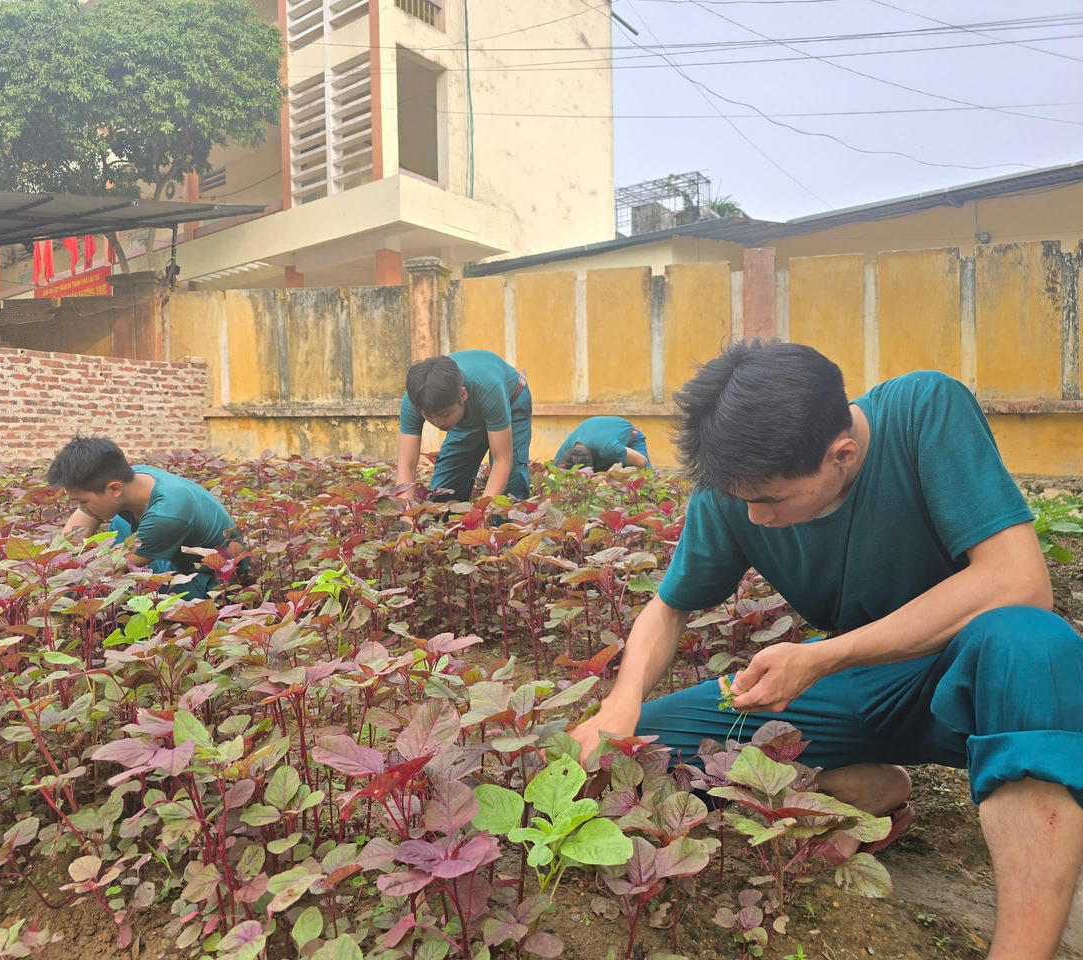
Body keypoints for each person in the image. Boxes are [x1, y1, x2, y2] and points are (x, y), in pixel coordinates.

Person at [569, 339, 1083, 960]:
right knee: (653, 745)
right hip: (853, 681)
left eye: (773, 501)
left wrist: (818, 658)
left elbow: (1019, 582)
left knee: (1033, 645)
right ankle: (868, 787)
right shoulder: (736, 486)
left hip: (969, 685)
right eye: (743, 501)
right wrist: (622, 703)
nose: (755, 519)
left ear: (842, 455)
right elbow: (669, 605)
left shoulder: (923, 410)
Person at [46, 437, 248, 600]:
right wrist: (63, 560)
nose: (81, 509)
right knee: (120, 523)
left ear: (114, 488)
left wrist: (58, 588)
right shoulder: (135, 478)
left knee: (121, 595)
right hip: (174, 556)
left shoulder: (167, 513)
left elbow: (107, 570)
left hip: (214, 580)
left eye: (82, 501)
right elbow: (75, 532)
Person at [396, 350, 532, 503]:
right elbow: (406, 465)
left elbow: (502, 460)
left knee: (509, 492)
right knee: (444, 496)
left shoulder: (489, 388)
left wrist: (480, 515)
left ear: (463, 395)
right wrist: (406, 515)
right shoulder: (416, 400)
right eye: (429, 417)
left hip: (512, 399)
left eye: (445, 414)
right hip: (467, 415)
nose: (439, 423)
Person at [553, 415, 649, 471]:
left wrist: (613, 476)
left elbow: (642, 462)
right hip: (600, 435)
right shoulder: (561, 458)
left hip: (630, 437)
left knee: (646, 480)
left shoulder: (609, 448)